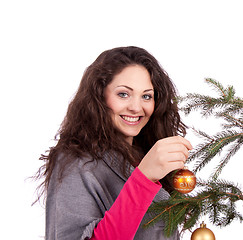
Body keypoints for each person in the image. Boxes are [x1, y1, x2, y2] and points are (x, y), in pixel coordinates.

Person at [37, 46, 192, 240]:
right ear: (100, 96)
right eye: (123, 94)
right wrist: (143, 179)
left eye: (146, 96)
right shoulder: (75, 162)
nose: (136, 107)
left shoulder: (145, 155)